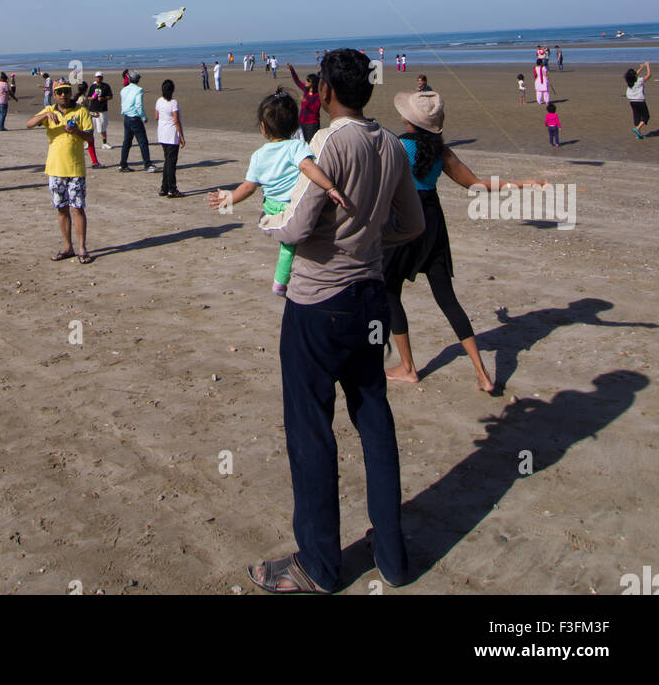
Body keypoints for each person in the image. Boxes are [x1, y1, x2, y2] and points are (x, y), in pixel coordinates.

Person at [244, 49, 425, 595]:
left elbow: (298, 227)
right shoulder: (391, 143)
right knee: (373, 414)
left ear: (324, 92)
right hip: (370, 298)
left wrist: (269, 221)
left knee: (310, 429)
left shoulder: (327, 143)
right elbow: (411, 222)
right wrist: (367, 239)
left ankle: (319, 565)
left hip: (319, 303)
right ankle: (391, 557)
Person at [383, 91, 543, 395]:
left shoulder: (399, 146)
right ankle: (483, 374)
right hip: (433, 222)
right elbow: (476, 185)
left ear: (408, 120)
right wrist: (524, 184)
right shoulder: (441, 152)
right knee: (447, 298)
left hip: (405, 221)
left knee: (389, 290)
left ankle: (407, 367)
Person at [209, 91, 349, 297]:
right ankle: (280, 283)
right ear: (295, 125)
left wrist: (228, 200)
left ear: (263, 127)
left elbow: (248, 187)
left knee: (290, 245)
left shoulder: (258, 155)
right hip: (292, 206)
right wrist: (330, 187)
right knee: (290, 247)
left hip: (271, 207)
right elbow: (308, 167)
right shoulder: (296, 147)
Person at [26, 79, 95, 264]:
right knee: (61, 209)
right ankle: (67, 247)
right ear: (54, 95)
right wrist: (45, 115)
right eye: (59, 92)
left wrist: (76, 131)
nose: (63, 95)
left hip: (75, 168)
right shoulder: (50, 111)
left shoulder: (81, 111)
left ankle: (82, 247)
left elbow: (90, 137)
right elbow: (29, 124)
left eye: (66, 91)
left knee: (78, 208)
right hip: (55, 169)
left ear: (70, 92)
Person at [119, 71, 157, 173]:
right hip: (134, 119)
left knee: (127, 142)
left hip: (127, 118)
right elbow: (138, 106)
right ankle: (147, 165)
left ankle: (123, 164)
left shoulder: (124, 90)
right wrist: (144, 117)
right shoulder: (139, 90)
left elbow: (124, 103)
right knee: (143, 142)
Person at [155, 79, 185, 197]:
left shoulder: (159, 101)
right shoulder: (173, 103)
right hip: (171, 135)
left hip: (162, 134)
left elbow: (157, 116)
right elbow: (176, 120)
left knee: (167, 161)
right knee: (171, 163)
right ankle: (172, 189)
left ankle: (164, 187)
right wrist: (181, 136)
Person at [287, 64, 321, 142]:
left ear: (313, 83)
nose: (306, 82)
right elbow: (297, 81)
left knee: (311, 143)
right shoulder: (306, 90)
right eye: (306, 80)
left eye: (308, 81)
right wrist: (292, 70)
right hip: (301, 121)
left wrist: (306, 102)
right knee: (300, 142)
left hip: (312, 124)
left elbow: (315, 110)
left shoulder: (317, 96)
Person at [87, 72, 114, 149]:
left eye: (100, 77)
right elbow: (88, 97)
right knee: (90, 128)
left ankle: (104, 143)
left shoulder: (106, 86)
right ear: (95, 78)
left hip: (102, 110)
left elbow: (110, 96)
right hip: (92, 110)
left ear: (102, 78)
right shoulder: (92, 86)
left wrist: (103, 98)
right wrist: (91, 98)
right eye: (97, 77)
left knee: (102, 127)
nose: (98, 78)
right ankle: (88, 143)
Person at [625, 63, 651, 139]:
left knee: (637, 116)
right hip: (639, 100)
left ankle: (638, 134)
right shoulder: (639, 80)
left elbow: (635, 74)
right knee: (646, 116)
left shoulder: (629, 81)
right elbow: (649, 75)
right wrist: (648, 65)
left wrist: (642, 68)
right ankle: (637, 128)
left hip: (632, 100)